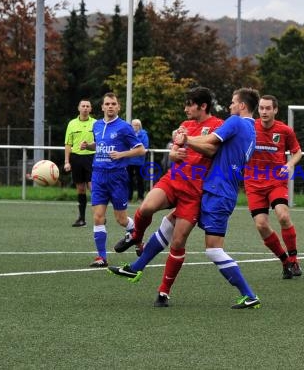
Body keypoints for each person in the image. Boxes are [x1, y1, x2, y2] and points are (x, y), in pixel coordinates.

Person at [108, 87, 224, 288]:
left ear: (203, 106)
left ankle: (163, 291)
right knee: (145, 208)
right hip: (174, 179)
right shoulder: (185, 124)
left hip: (194, 191)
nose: (185, 108)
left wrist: (188, 141)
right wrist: (174, 154)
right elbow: (173, 152)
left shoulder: (218, 125)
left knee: (177, 242)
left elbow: (212, 149)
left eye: (189, 104)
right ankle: (136, 236)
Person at [158, 87, 261, 309]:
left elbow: (210, 142)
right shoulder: (253, 130)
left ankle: (249, 294)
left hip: (218, 191)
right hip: (224, 191)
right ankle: (140, 259)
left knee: (213, 249)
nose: (231, 106)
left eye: (233, 102)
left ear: (242, 106)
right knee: (174, 220)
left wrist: (184, 138)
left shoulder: (235, 122)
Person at [80, 92, 145, 267]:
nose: (110, 106)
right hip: (98, 175)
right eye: (107, 104)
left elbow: (141, 150)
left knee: (121, 219)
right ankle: (102, 257)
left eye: (113, 104)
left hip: (117, 177)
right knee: (98, 217)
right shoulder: (97, 126)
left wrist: (122, 154)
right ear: (102, 107)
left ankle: (138, 241)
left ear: (118, 107)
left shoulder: (124, 127)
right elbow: (100, 144)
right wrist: (89, 146)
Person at [244, 95, 303, 279]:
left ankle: (293, 259)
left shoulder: (284, 130)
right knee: (261, 225)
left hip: (275, 181)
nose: (264, 112)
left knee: (283, 216)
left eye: (268, 108)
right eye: (261, 108)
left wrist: (290, 164)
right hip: (253, 183)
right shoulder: (249, 127)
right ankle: (284, 261)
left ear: (275, 110)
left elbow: (297, 151)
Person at [63, 99, 96, 227]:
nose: (85, 108)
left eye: (88, 106)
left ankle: (98, 217)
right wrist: (67, 161)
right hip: (76, 159)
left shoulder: (96, 123)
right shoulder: (72, 124)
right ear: (79, 108)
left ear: (91, 109)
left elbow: (100, 142)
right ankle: (81, 219)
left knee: (93, 188)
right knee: (81, 189)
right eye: (83, 106)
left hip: (92, 158)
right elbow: (68, 144)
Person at [127, 119, 150, 202]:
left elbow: (145, 145)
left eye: (137, 125)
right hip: (129, 160)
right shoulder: (128, 134)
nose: (135, 127)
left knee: (140, 180)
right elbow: (126, 144)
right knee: (129, 179)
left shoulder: (144, 134)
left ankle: (140, 197)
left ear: (140, 126)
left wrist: (134, 150)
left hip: (140, 161)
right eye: (133, 125)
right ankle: (129, 197)